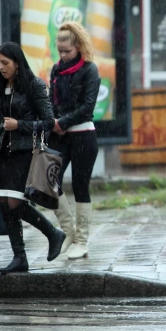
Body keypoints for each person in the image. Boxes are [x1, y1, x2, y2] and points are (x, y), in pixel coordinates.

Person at [0, 42, 66, 274]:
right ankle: (19, 258)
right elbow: (0, 125)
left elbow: (48, 122)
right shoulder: (0, 86)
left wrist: (20, 125)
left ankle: (53, 233)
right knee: (5, 204)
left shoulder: (34, 85)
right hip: (5, 153)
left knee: (16, 203)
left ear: (17, 63)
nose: (1, 67)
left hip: (26, 152)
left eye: (5, 63)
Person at [49, 22, 101, 260]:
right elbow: (51, 101)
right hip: (60, 134)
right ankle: (69, 232)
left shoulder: (90, 70)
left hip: (83, 134)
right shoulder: (55, 70)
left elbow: (87, 107)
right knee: (51, 182)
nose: (62, 55)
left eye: (67, 51)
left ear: (78, 46)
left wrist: (63, 122)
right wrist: (53, 121)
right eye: (59, 50)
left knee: (81, 186)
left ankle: (82, 240)